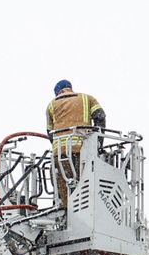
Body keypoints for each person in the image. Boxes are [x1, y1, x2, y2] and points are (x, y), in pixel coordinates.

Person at [45, 79, 105, 214]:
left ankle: (65, 213)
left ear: (57, 93)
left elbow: (49, 132)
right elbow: (100, 117)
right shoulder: (87, 99)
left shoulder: (51, 105)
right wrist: (98, 143)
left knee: (63, 189)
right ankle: (83, 213)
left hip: (59, 155)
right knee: (85, 186)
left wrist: (59, 147)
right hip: (81, 152)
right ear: (70, 88)